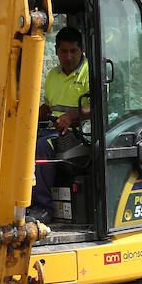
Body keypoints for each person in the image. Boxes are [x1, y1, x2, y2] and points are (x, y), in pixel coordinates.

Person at [31, 26, 90, 218]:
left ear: (81, 50)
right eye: (64, 51)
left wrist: (71, 117)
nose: (69, 56)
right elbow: (49, 105)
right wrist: (39, 112)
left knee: (41, 147)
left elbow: (98, 107)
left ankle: (43, 207)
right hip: (53, 129)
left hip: (80, 133)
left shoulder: (90, 72)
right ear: (57, 51)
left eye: (73, 51)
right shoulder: (52, 75)